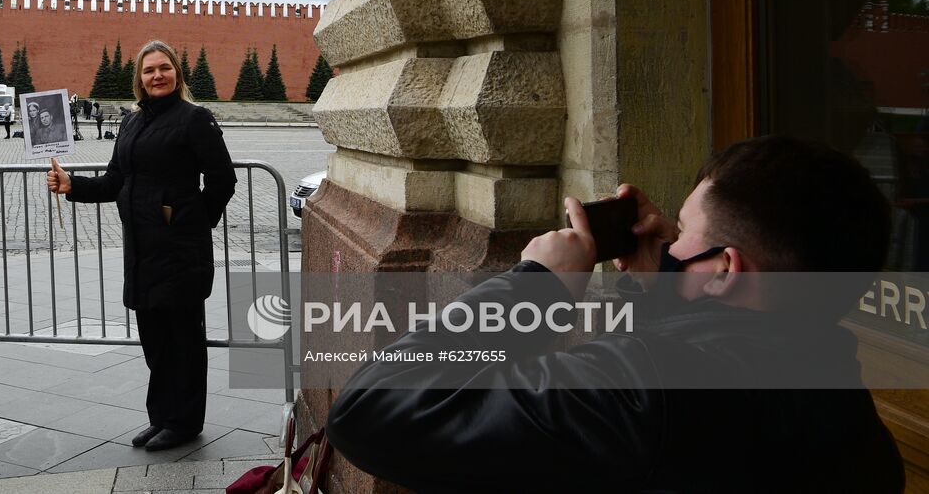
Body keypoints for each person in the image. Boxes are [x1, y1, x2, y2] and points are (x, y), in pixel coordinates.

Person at [325, 135, 904, 492]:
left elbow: (370, 412)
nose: (671, 240)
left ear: (725, 268)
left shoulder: (645, 392)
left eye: (685, 230)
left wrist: (535, 288)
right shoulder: (852, 415)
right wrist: (664, 290)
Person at [47, 40, 235, 452]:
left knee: (182, 340)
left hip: (180, 251)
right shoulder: (132, 123)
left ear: (177, 73)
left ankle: (184, 422)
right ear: (140, 79)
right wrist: (71, 185)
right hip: (142, 247)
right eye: (149, 70)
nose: (157, 76)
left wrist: (192, 222)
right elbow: (115, 181)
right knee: (155, 338)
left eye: (164, 68)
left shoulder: (194, 119)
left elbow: (223, 180)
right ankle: (161, 417)